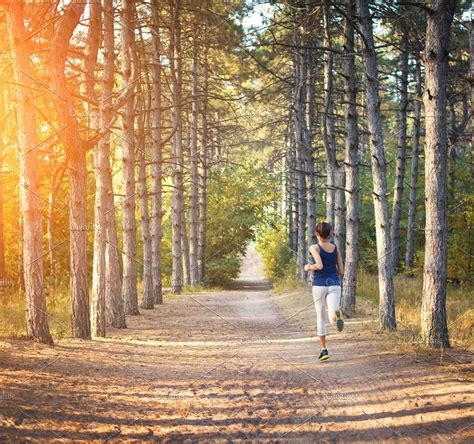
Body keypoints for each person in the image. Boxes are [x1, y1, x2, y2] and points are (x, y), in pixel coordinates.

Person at [304, 221, 344, 361]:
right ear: (330, 234)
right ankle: (335, 315)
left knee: (320, 317)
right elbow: (341, 271)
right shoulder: (335, 248)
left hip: (319, 284)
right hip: (334, 284)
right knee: (332, 314)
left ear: (317, 234)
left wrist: (309, 267)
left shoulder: (314, 247)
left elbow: (319, 265)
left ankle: (323, 350)